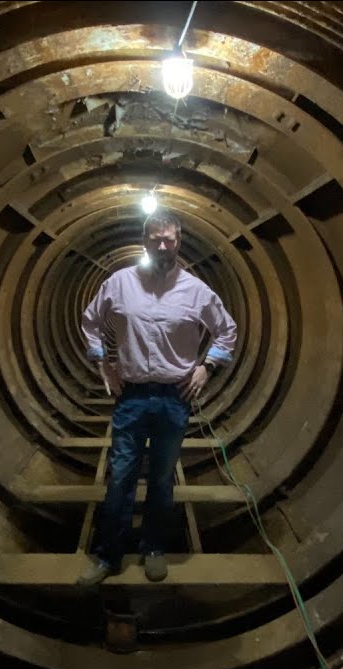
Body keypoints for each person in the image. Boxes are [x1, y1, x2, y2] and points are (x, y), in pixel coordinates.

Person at [77, 208, 238, 586]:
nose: (163, 246)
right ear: (144, 242)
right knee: (121, 476)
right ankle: (108, 555)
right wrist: (103, 364)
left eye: (170, 240)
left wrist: (206, 367)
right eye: (156, 240)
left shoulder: (196, 290)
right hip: (132, 395)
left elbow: (226, 330)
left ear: (179, 242)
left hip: (173, 396)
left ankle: (153, 548)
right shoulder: (119, 283)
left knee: (162, 479)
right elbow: (90, 321)